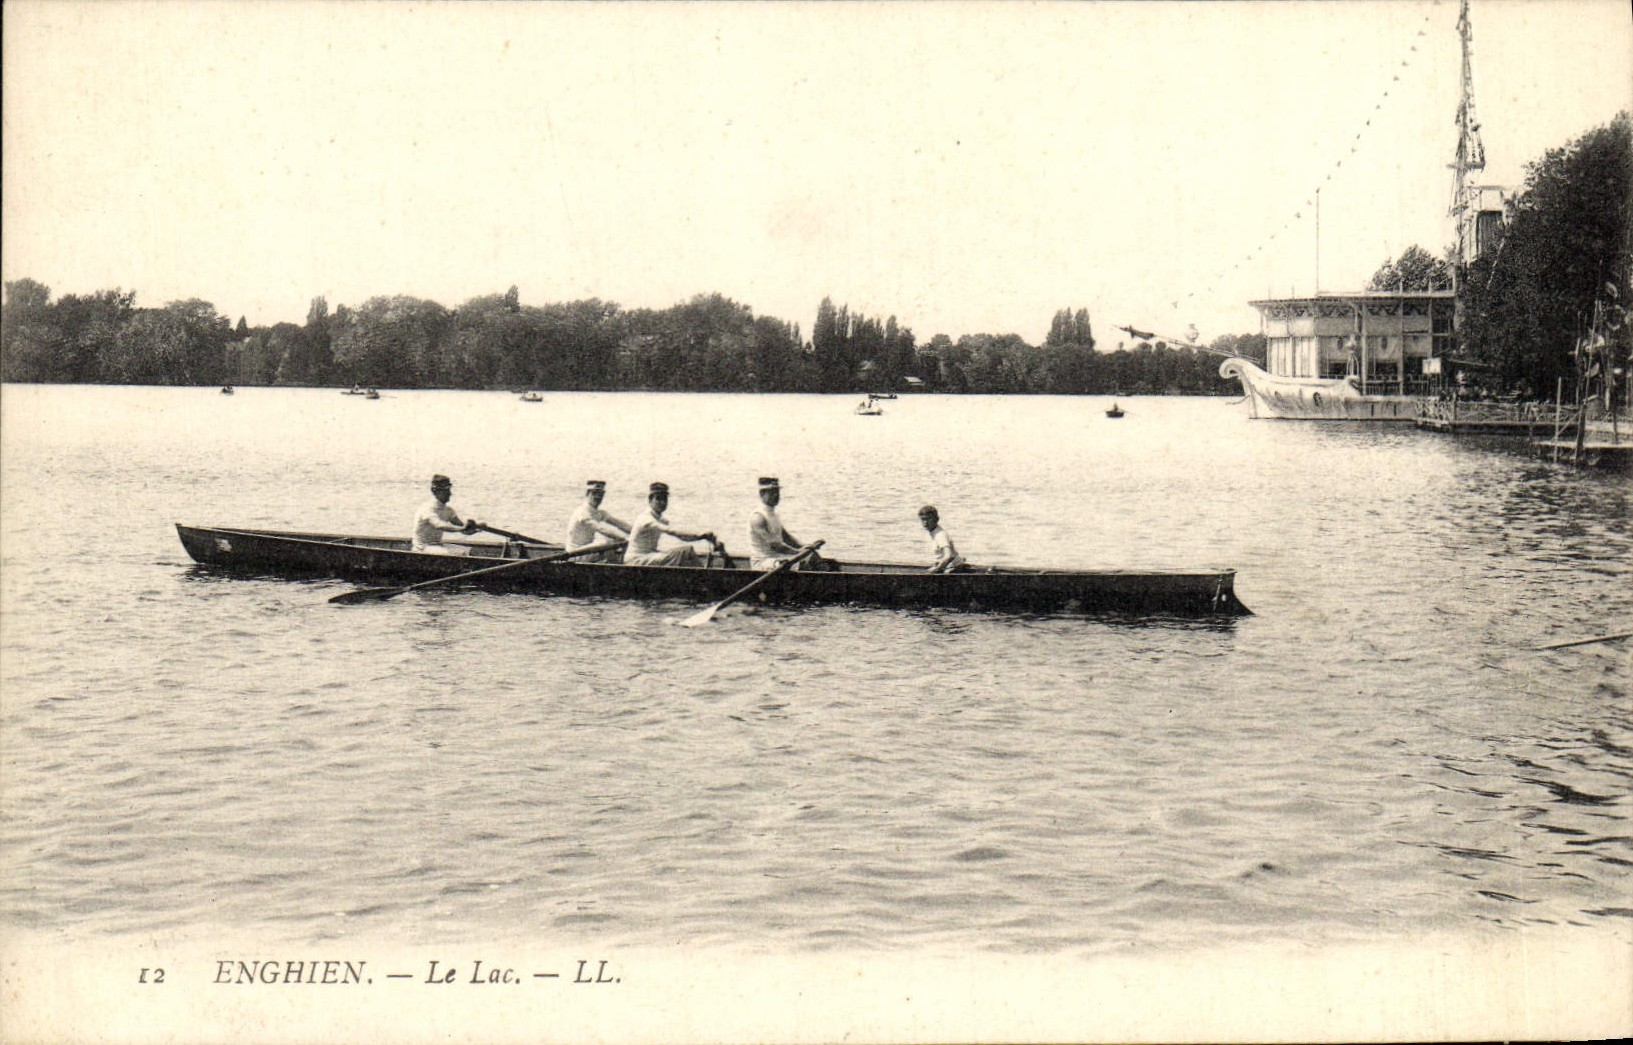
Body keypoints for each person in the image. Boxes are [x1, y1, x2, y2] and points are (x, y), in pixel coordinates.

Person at [624, 482, 716, 566]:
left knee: (687, 550)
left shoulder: (662, 520)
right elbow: (671, 531)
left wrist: (701, 537)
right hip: (636, 560)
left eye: (665, 499)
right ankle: (705, 578)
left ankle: (701, 576)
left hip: (649, 556)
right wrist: (701, 534)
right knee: (685, 551)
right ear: (650, 500)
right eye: (658, 499)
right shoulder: (645, 519)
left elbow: (681, 537)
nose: (662, 502)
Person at [747, 476, 828, 571]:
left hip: (778, 557)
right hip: (763, 562)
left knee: (812, 556)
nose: (776, 495)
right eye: (772, 492)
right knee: (803, 565)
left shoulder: (773, 514)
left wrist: (804, 547)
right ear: (762, 493)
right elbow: (775, 545)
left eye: (777, 492)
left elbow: (786, 537)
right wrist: (797, 552)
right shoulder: (757, 517)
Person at [412, 474, 480, 554]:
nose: (450, 494)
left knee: (472, 551)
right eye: (445, 491)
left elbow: (463, 529)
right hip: (422, 548)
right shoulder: (427, 508)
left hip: (438, 545)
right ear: (435, 491)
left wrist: (475, 529)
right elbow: (440, 525)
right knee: (461, 553)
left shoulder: (449, 510)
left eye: (449, 490)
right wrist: (461, 528)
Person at [565, 480, 630, 561]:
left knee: (614, 541)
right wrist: (625, 537)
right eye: (594, 493)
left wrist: (637, 531)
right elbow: (600, 528)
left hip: (585, 552)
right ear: (587, 494)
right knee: (607, 542)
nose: (598, 497)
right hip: (574, 554)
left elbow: (621, 524)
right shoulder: (582, 512)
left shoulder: (599, 513)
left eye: (601, 494)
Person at [918, 505, 968, 573]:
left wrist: (937, 569)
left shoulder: (940, 535)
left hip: (953, 566)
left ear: (936, 519)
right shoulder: (933, 532)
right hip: (946, 564)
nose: (925, 523)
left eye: (928, 519)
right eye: (923, 519)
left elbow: (948, 556)